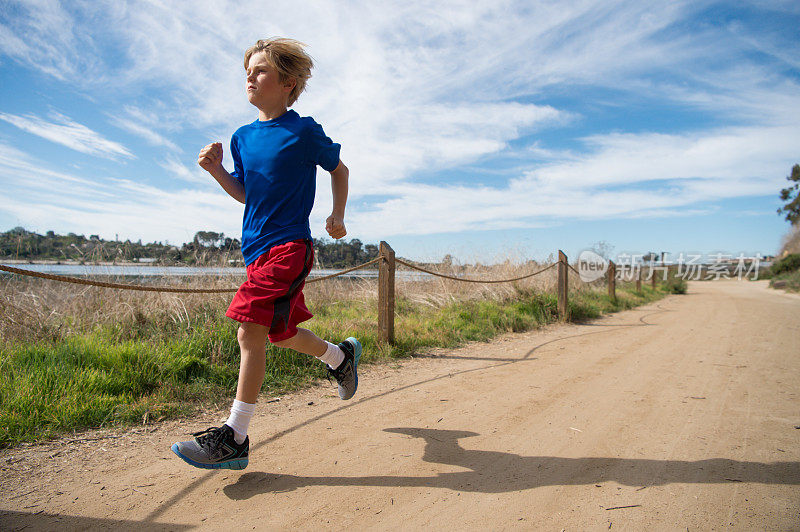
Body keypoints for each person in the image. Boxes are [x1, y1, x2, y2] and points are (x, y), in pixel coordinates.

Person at [171, 38, 360, 470]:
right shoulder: (242, 137)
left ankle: (234, 436)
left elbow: (340, 169)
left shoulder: (304, 130)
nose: (249, 78)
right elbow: (247, 195)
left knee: (248, 331)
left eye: (259, 71)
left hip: (290, 246)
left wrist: (337, 214)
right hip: (255, 250)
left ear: (287, 82)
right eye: (247, 72)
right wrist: (217, 171)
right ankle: (339, 357)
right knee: (281, 332)